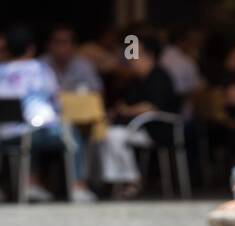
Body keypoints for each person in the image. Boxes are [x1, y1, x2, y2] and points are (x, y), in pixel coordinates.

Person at [0, 24, 90, 202]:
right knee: (69, 132)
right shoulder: (40, 69)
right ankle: (77, 186)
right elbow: (55, 104)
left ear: (6, 49)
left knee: (29, 133)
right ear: (31, 48)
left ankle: (31, 182)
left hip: (3, 135)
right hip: (32, 133)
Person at [100, 34, 180, 196]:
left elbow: (151, 107)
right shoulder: (135, 81)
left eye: (134, 54)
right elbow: (124, 104)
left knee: (115, 136)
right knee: (107, 134)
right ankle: (117, 181)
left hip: (158, 130)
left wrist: (127, 111)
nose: (131, 60)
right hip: (136, 128)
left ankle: (132, 180)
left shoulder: (160, 76)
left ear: (148, 55)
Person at [42, 26, 102, 94]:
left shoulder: (85, 66)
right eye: (57, 42)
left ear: (74, 46)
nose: (60, 47)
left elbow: (97, 92)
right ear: (48, 45)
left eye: (65, 42)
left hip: (78, 104)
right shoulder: (40, 65)